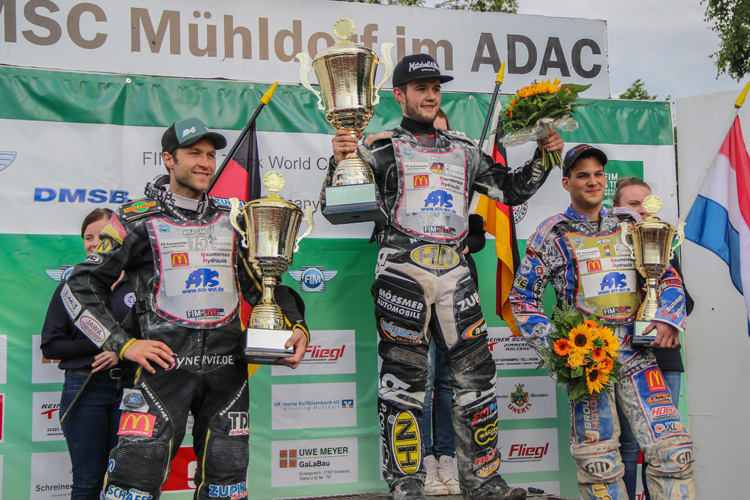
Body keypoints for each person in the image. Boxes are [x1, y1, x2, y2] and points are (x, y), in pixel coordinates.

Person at [323, 54, 564, 500]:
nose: (431, 95)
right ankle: (407, 484)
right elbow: (335, 209)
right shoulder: (376, 147)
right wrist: (339, 162)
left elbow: (509, 190)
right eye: (421, 88)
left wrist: (544, 157)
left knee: (478, 378)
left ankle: (484, 481)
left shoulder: (464, 147)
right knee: (405, 379)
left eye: (435, 86)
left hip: (456, 273)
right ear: (400, 96)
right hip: (402, 272)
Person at [61, 117, 309, 500]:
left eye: (210, 155)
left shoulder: (236, 219)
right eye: (194, 153)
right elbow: (77, 287)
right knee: (134, 481)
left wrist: (296, 325)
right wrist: (123, 345)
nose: (205, 163)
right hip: (162, 370)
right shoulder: (132, 218)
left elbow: (264, 285)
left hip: (228, 370)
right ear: (168, 159)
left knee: (227, 484)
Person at [510, 144, 696, 500]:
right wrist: (559, 349)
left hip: (638, 354)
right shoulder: (552, 232)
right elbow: (522, 298)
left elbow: (667, 277)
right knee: (599, 462)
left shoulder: (631, 223)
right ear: (566, 183)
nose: (592, 182)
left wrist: (668, 319)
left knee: (674, 451)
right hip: (589, 365)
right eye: (583, 175)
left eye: (597, 174)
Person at [40, 208, 138, 500]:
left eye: (103, 236)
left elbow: (160, 336)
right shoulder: (70, 287)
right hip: (85, 389)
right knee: (87, 482)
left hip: (134, 390)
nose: (95, 243)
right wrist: (110, 344)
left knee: (128, 482)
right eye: (88, 237)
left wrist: (122, 352)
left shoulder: (142, 284)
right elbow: (51, 346)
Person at [612, 177, 694, 500]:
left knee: (663, 446)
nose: (641, 211)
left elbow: (687, 302)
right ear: (617, 209)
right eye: (633, 204)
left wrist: (661, 305)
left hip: (665, 357)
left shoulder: (663, 249)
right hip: (625, 356)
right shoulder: (613, 251)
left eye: (646, 204)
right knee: (629, 444)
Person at [423, 109, 484, 497]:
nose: (438, 143)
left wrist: (463, 243)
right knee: (419, 379)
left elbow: (477, 235)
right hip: (413, 290)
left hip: (457, 291)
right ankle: (422, 462)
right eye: (431, 135)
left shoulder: (463, 181)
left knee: (447, 380)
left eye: (443, 135)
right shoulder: (403, 179)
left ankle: (447, 457)